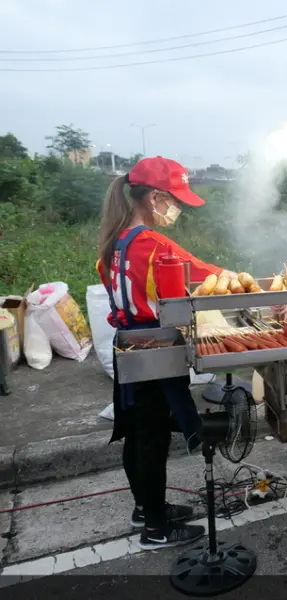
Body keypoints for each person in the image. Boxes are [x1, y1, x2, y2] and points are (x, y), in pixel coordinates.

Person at [97, 156, 237, 550]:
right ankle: (156, 530)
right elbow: (204, 276)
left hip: (129, 346)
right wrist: (241, 284)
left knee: (136, 434)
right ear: (156, 197)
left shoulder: (115, 241)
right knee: (152, 438)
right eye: (174, 200)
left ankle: (146, 508)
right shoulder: (154, 245)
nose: (177, 208)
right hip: (155, 351)